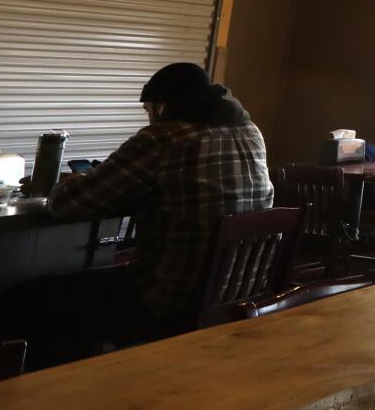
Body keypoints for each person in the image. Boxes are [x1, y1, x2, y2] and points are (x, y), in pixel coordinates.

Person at [33, 62, 274, 362]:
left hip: (171, 299)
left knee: (41, 298)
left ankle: (68, 391)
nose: (148, 119)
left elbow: (68, 205)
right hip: (239, 290)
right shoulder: (251, 131)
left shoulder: (164, 137)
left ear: (162, 106)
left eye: (147, 110)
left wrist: (66, 183)